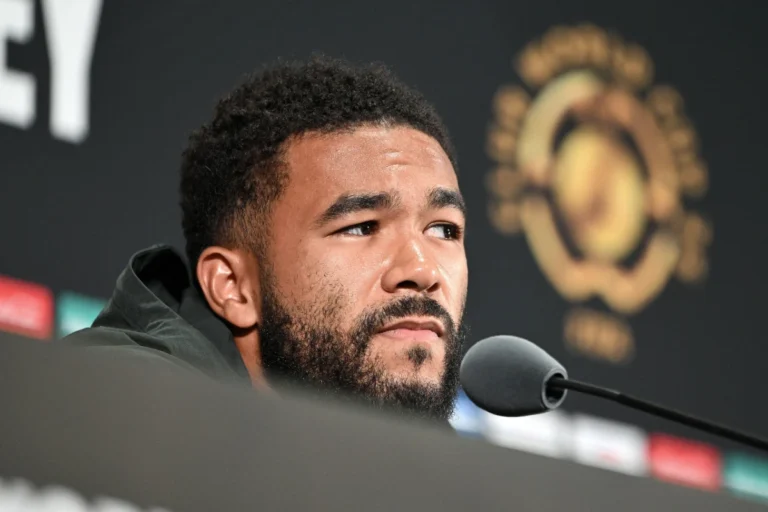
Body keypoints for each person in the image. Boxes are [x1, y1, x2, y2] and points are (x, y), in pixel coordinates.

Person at [63, 56, 468, 423]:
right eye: (361, 227)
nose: (422, 269)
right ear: (233, 287)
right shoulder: (110, 407)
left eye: (443, 230)